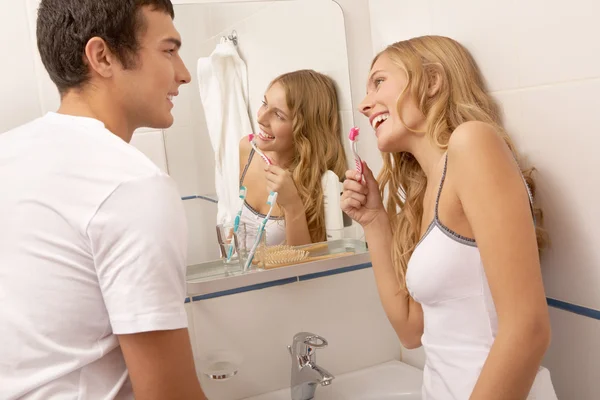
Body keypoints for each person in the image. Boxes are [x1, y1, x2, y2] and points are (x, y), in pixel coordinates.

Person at [0, 1, 207, 399]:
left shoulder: (8, 154)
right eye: (168, 50)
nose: (183, 74)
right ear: (103, 56)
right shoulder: (131, 184)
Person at [341, 35, 558, 399]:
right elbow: (411, 332)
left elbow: (529, 330)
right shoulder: (429, 189)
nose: (364, 104)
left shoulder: (473, 143)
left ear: (432, 80)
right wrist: (375, 221)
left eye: (379, 81)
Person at [238, 69, 348, 247]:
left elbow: (305, 267)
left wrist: (292, 205)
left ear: (305, 129)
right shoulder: (248, 149)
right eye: (265, 104)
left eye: (279, 115)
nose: (261, 119)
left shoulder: (317, 181)